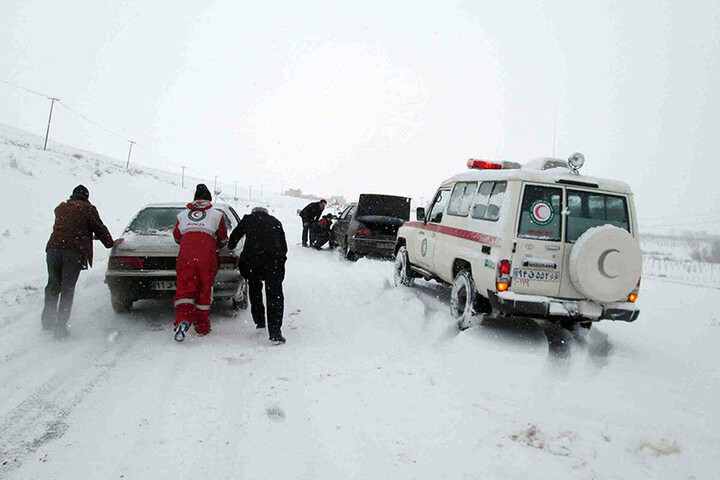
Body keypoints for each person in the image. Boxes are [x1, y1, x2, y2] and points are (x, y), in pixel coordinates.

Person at [42, 185, 123, 338]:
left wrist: (85, 234)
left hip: (53, 249)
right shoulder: (88, 209)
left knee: (53, 285)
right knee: (67, 288)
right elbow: (99, 228)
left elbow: (68, 228)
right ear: (86, 196)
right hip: (73, 252)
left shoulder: (61, 208)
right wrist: (110, 243)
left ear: (73, 195)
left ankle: (47, 321)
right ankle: (60, 328)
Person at [172, 184, 228, 342]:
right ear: (209, 199)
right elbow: (223, 240)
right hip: (207, 259)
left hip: (186, 258)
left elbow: (177, 237)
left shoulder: (182, 215)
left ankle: (182, 320)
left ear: (195, 199)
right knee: (204, 290)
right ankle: (202, 326)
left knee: (184, 290)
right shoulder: (217, 215)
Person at [228, 206, 288, 345]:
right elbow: (284, 247)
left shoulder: (248, 220)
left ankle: (260, 321)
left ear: (253, 212)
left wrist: (231, 246)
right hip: (273, 262)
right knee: (275, 295)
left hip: (252, 262)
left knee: (255, 289)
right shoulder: (276, 222)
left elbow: (235, 236)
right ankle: (275, 333)